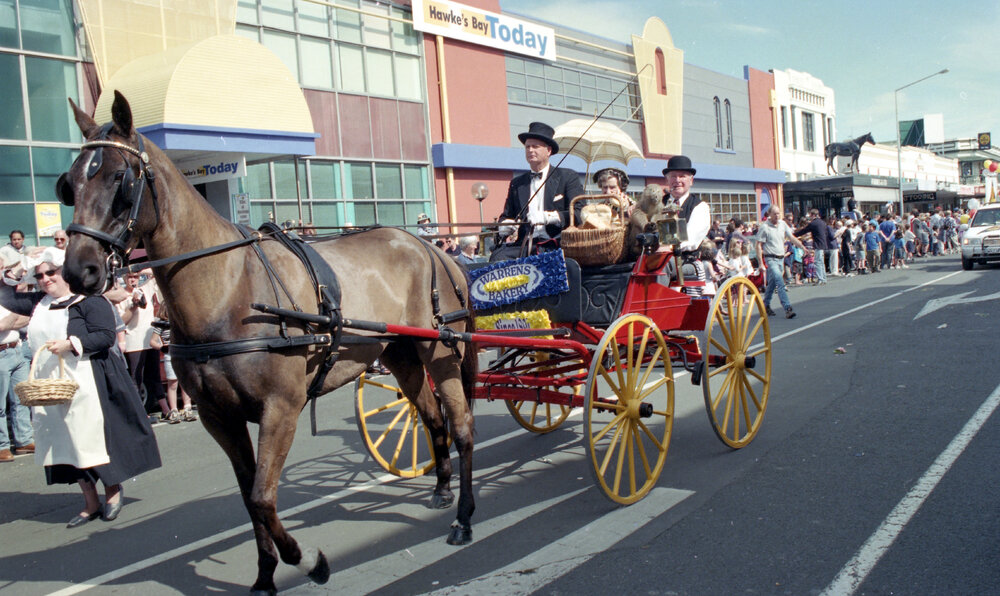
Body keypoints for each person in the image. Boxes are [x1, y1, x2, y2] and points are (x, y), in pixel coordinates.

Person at [0, 248, 160, 527]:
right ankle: (90, 502)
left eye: (51, 272)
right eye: (39, 275)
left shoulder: (89, 300)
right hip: (52, 385)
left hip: (88, 380)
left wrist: (71, 343)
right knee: (66, 443)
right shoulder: (40, 303)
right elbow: (6, 297)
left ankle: (112, 490)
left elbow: (105, 336)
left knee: (91, 440)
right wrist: (16, 270)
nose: (45, 279)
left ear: (65, 271)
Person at [499, 122, 584, 253]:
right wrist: (504, 226)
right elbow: (506, 216)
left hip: (557, 244)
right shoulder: (517, 183)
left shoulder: (567, 177)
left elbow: (580, 213)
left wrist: (549, 217)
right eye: (527, 147)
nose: (530, 150)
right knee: (497, 257)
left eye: (535, 146)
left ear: (548, 151)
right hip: (524, 246)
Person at [119, 271, 168, 422]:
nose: (133, 280)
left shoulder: (145, 288)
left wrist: (137, 269)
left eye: (135, 277)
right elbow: (121, 322)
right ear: (124, 278)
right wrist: (133, 305)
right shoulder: (121, 296)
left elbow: (155, 271)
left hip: (150, 339)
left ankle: (166, 410)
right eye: (129, 277)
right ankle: (140, 414)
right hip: (133, 342)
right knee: (136, 378)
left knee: (155, 376)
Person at [746, 206, 804, 319]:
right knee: (780, 282)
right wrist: (761, 263)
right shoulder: (765, 227)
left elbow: (791, 237)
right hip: (770, 258)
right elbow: (758, 245)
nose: (777, 216)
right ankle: (787, 308)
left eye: (778, 213)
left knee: (772, 282)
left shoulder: (782, 224)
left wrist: (802, 246)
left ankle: (766, 304)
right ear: (769, 214)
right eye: (775, 214)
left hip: (781, 258)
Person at [0, 283, 33, 462]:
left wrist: (10, 321)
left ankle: (24, 440)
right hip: (1, 353)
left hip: (16, 349)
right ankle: (2, 446)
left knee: (21, 399)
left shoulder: (6, 295)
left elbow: (26, 318)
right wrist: (13, 318)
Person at [661, 155, 710, 254]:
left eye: (682, 176)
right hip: (656, 259)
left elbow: (690, 239)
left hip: (684, 259)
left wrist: (666, 248)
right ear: (667, 180)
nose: (677, 180)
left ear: (691, 181)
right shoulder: (659, 203)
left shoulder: (700, 207)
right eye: (673, 176)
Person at [794, 209, 831, 284]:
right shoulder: (823, 222)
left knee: (817, 262)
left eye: (810, 215)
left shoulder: (813, 223)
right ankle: (824, 278)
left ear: (813, 215)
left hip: (818, 244)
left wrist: (793, 235)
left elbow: (804, 230)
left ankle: (820, 279)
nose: (810, 217)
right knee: (821, 262)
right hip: (823, 244)